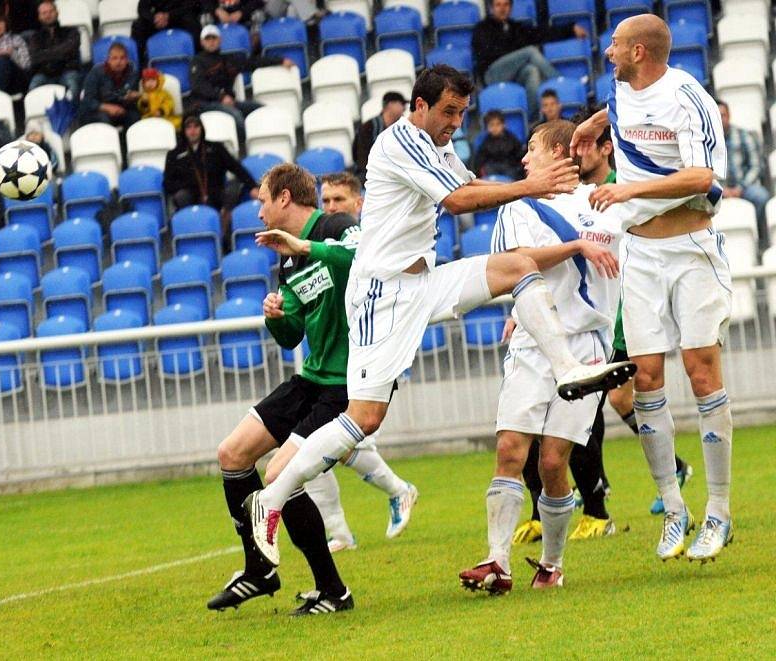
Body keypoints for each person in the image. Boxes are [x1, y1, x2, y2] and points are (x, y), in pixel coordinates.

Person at [244, 64, 635, 569]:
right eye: (448, 111)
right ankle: (270, 499)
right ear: (420, 106)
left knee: (517, 265)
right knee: (364, 417)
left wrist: (529, 184)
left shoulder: (437, 145)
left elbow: (468, 183)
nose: (455, 122)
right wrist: (531, 185)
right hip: (379, 297)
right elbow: (456, 200)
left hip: (421, 282)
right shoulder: (400, 140)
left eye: (462, 113)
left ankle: (569, 370)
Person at [571, 15, 732, 563]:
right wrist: (593, 125)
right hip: (639, 252)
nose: (607, 51)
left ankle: (719, 510)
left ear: (639, 51)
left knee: (701, 370)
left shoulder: (689, 98)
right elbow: (622, 111)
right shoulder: (621, 87)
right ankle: (674, 507)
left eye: (616, 44)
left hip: (690, 249)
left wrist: (627, 188)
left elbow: (702, 176)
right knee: (645, 377)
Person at [459, 119, 623, 593]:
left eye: (532, 149)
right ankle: (496, 561)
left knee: (554, 462)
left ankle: (551, 564)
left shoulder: (601, 204)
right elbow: (519, 264)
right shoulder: (519, 204)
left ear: (558, 151)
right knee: (511, 449)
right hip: (535, 343)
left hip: (588, 346)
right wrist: (575, 247)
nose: (524, 159)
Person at [207, 164, 355, 616]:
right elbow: (291, 336)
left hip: (346, 384)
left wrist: (305, 245)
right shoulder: (286, 259)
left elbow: (362, 259)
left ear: (285, 198)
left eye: (263, 200)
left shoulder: (334, 226)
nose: (259, 210)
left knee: (279, 474)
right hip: (310, 378)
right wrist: (277, 315)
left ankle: (333, 591)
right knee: (232, 454)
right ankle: (259, 570)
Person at [302, 172, 418, 553]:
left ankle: (392, 495)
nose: (331, 208)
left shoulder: (360, 236)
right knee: (316, 448)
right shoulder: (321, 241)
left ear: (359, 204)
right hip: (330, 363)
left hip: (367, 356)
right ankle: (343, 530)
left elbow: (355, 259)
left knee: (331, 443)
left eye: (339, 200)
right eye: (326, 201)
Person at [472, 0, 587, 119]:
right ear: (491, 8)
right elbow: (486, 55)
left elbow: (541, 34)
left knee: (532, 71)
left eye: (506, 4)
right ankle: (560, 83)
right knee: (530, 51)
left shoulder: (514, 27)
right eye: (498, 5)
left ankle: (532, 117)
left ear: (511, 7)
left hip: (513, 74)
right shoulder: (482, 28)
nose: (502, 8)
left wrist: (570, 29)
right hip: (491, 74)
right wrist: (518, 55)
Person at [188, 24, 289, 150]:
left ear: (220, 40)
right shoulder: (197, 61)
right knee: (236, 116)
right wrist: (221, 96)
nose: (211, 42)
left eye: (214, 38)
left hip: (227, 102)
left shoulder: (228, 59)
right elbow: (199, 86)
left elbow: (252, 63)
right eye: (208, 39)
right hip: (203, 104)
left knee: (261, 109)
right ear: (202, 42)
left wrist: (280, 61)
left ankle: (270, 143)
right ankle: (246, 149)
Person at [163, 114, 257, 239]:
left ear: (201, 128)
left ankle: (223, 236)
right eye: (189, 127)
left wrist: (252, 187)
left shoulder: (216, 148)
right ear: (184, 131)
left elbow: (236, 168)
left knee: (234, 189)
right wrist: (189, 184)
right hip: (191, 198)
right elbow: (167, 183)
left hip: (216, 193)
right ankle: (193, 236)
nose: (193, 131)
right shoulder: (174, 154)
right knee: (181, 196)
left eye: (196, 126)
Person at [717, 99, 770, 248]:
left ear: (729, 116)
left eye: (723, 115)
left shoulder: (744, 136)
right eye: (717, 115)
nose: (721, 119)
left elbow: (755, 166)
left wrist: (740, 188)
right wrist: (722, 190)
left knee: (761, 197)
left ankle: (758, 240)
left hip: (744, 187)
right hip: (719, 189)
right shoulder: (707, 142)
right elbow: (705, 172)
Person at [27, 1, 81, 102]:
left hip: (67, 71)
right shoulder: (34, 37)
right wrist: (60, 52)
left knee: (73, 86)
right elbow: (35, 58)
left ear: (57, 12)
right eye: (44, 13)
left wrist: (45, 53)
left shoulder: (72, 31)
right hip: (44, 74)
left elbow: (70, 50)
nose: (48, 15)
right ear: (39, 16)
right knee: (32, 90)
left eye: (50, 11)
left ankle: (75, 117)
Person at [79, 42, 141, 130]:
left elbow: (130, 96)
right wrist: (107, 108)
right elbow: (88, 100)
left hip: (121, 108)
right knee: (104, 119)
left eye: (122, 58)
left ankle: (128, 142)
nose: (118, 62)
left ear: (127, 59)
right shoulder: (96, 72)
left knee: (134, 116)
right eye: (114, 58)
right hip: (98, 110)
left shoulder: (132, 72)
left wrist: (134, 97)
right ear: (108, 60)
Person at [353, 92, 408, 180]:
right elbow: (361, 160)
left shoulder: (402, 128)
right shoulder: (368, 127)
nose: (404, 108)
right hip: (371, 178)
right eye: (402, 104)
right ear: (390, 105)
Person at [131, 0, 203, 61]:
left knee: (195, 27)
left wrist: (169, 16)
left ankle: (197, 64)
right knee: (139, 26)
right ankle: (138, 69)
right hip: (159, 20)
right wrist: (154, 18)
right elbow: (142, 8)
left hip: (181, 17)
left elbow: (193, 5)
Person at [473, 110, 524, 180]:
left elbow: (519, 155)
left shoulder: (512, 139)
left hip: (509, 166)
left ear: (504, 125)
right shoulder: (485, 142)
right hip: (491, 167)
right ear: (487, 128)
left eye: (498, 124)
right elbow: (479, 159)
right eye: (491, 125)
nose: (495, 128)